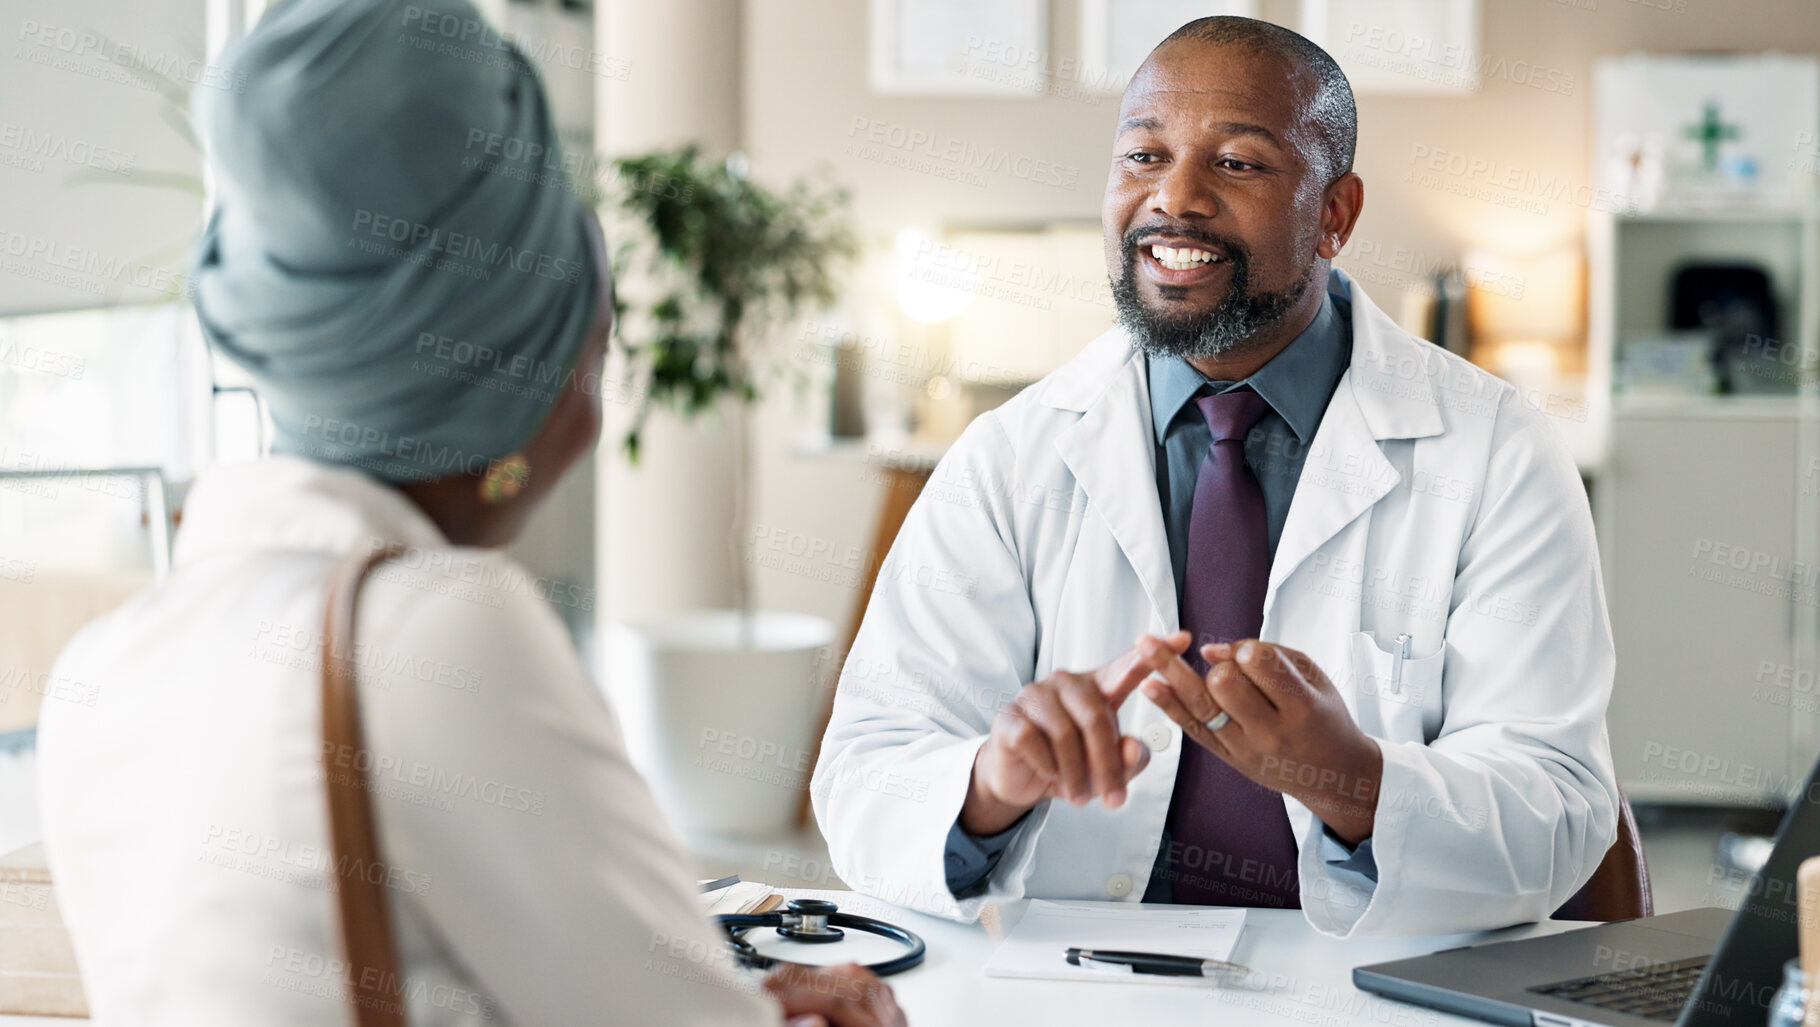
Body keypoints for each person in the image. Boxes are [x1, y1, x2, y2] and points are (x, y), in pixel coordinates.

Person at [35, 1, 904, 1024]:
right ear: (507, 382)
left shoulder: (102, 670)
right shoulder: (438, 625)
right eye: (592, 357)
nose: (590, 414)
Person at [812, 15, 1618, 938]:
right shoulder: (1010, 455)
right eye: (1143, 156)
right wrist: (991, 783)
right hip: (1078, 984)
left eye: (1235, 163)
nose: (1175, 199)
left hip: (1367, 987)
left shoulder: (1496, 452)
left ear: (1335, 215)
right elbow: (864, 774)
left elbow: (1559, 806)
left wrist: (1353, 780)